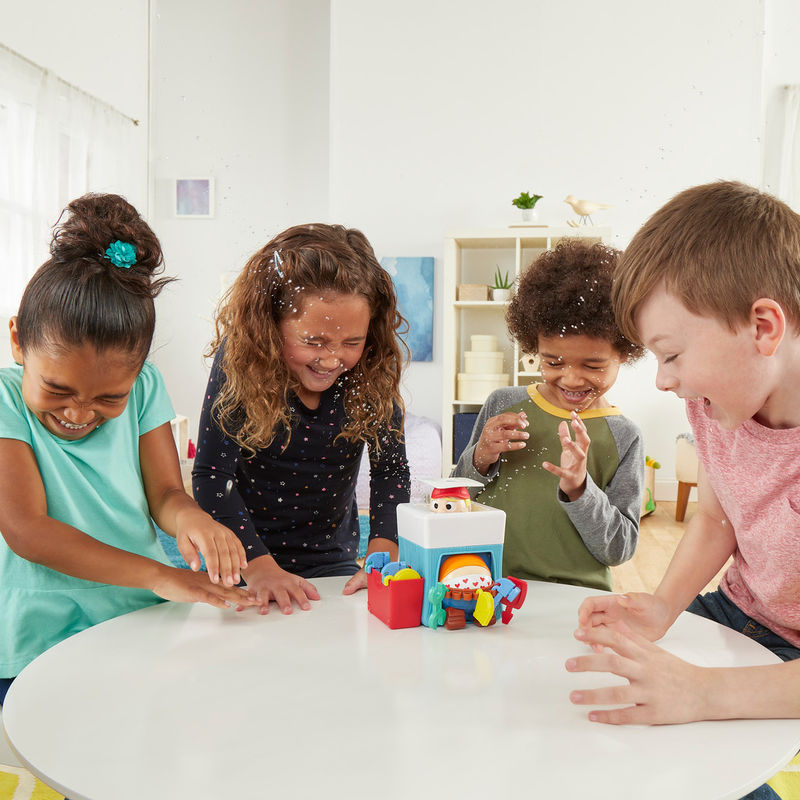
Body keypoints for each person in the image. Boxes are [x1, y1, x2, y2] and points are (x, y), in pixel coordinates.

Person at [0, 194, 255, 707]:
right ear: (18, 343)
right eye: (58, 389)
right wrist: (163, 574)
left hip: (136, 619)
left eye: (108, 397)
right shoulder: (6, 400)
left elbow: (163, 492)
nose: (79, 413)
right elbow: (27, 530)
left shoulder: (145, 388)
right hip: (35, 632)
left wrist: (191, 519)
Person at [567, 181, 800, 734]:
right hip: (739, 614)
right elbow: (717, 519)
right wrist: (664, 606)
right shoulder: (714, 408)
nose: (663, 380)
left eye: (671, 354)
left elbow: (707, 694)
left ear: (763, 327)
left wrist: (704, 692)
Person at [193, 223, 411, 615]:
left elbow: (391, 472)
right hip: (243, 562)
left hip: (332, 564)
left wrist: (382, 552)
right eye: (313, 342)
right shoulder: (242, 361)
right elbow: (211, 478)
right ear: (270, 326)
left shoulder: (371, 372)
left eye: (351, 342)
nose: (331, 360)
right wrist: (259, 568)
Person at [451, 240, 646, 590]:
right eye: (553, 362)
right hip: (487, 587)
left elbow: (619, 548)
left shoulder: (623, 436)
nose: (570, 378)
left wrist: (580, 490)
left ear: (626, 353)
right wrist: (479, 458)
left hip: (574, 598)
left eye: (593, 364)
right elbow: (455, 499)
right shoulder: (501, 405)